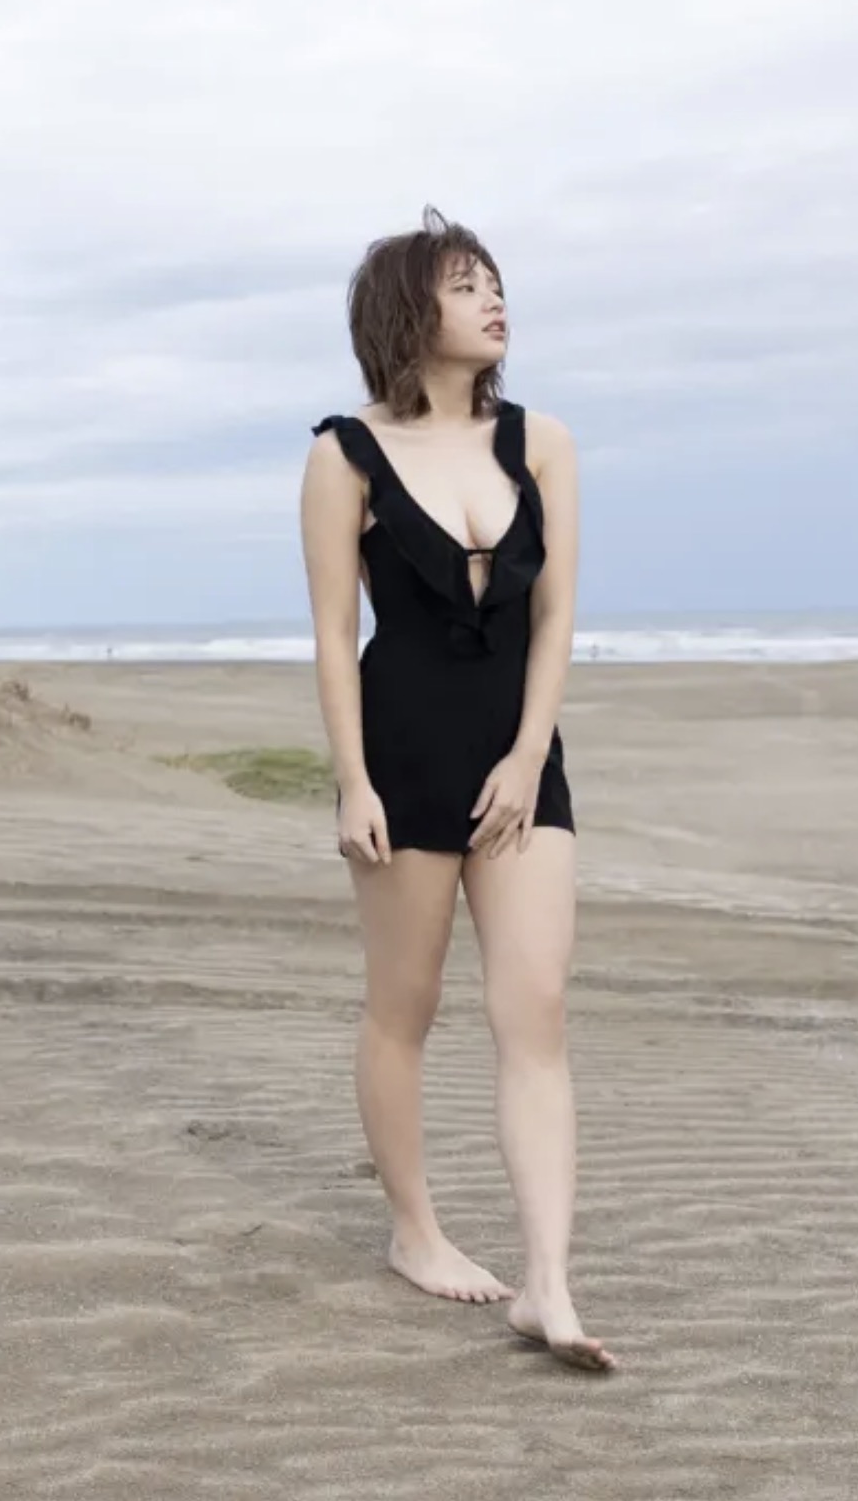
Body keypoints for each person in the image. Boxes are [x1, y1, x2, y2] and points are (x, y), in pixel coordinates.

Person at [300, 207, 615, 1372]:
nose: (494, 298)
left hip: (518, 756)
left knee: (537, 1010)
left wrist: (531, 754)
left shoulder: (544, 443)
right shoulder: (344, 456)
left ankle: (548, 1282)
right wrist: (352, 781)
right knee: (406, 1005)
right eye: (465, 282)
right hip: (404, 753)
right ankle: (415, 1231)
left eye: (495, 280)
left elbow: (557, 614)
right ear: (407, 310)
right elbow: (335, 637)